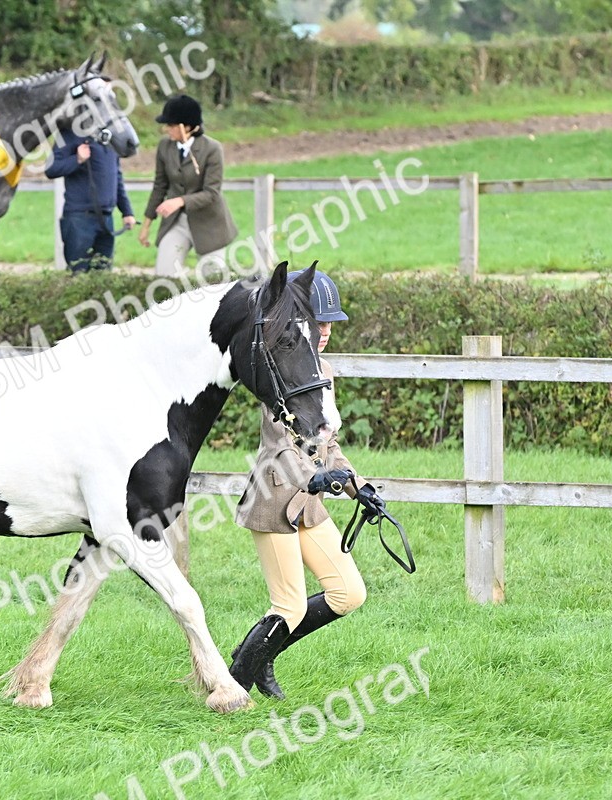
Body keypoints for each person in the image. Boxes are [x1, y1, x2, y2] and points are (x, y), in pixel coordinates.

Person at [229, 269, 387, 700]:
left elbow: (326, 444)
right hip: (275, 496)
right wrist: (316, 477)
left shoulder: (326, 371)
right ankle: (235, 684)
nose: (325, 331)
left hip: (308, 505)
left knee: (348, 592)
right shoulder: (281, 369)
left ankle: (259, 656)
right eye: (318, 322)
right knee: (290, 605)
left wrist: (360, 487)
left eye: (330, 323)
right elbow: (282, 446)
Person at [138, 95, 237, 277]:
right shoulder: (164, 147)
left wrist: (179, 201)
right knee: (164, 274)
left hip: (209, 223)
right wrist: (146, 224)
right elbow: (160, 186)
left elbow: (211, 193)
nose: (166, 129)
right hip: (177, 222)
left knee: (213, 280)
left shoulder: (212, 149)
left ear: (187, 127)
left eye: (171, 125)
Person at [46, 121, 136, 274]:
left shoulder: (110, 137)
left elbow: (116, 177)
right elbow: (51, 169)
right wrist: (77, 160)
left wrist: (127, 211)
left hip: (106, 219)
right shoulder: (69, 133)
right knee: (78, 274)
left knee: (103, 275)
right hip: (79, 219)